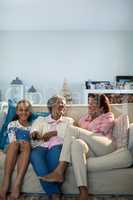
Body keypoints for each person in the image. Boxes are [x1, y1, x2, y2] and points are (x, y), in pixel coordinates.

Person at [40, 94, 115, 200]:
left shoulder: (108, 115)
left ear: (102, 107)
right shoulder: (84, 118)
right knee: (76, 144)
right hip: (90, 149)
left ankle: (59, 171)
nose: (89, 105)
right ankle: (83, 192)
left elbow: (100, 133)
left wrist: (81, 132)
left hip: (104, 145)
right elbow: (78, 136)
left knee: (71, 129)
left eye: (93, 103)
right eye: (89, 102)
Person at [30, 95, 74, 200]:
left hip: (58, 146)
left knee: (55, 155)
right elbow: (34, 130)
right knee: (35, 156)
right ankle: (55, 192)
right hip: (41, 146)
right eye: (59, 103)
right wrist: (35, 134)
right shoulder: (41, 119)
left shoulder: (69, 121)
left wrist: (53, 133)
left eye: (63, 104)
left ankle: (54, 195)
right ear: (51, 106)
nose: (62, 105)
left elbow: (71, 135)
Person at [0, 100, 32, 200]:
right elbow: (12, 140)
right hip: (12, 147)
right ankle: (5, 184)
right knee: (14, 145)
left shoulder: (32, 126)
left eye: (26, 110)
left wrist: (26, 143)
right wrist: (18, 142)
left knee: (26, 145)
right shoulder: (12, 124)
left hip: (24, 149)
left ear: (29, 112)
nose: (23, 112)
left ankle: (17, 185)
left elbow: (34, 142)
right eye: (21, 110)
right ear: (17, 112)